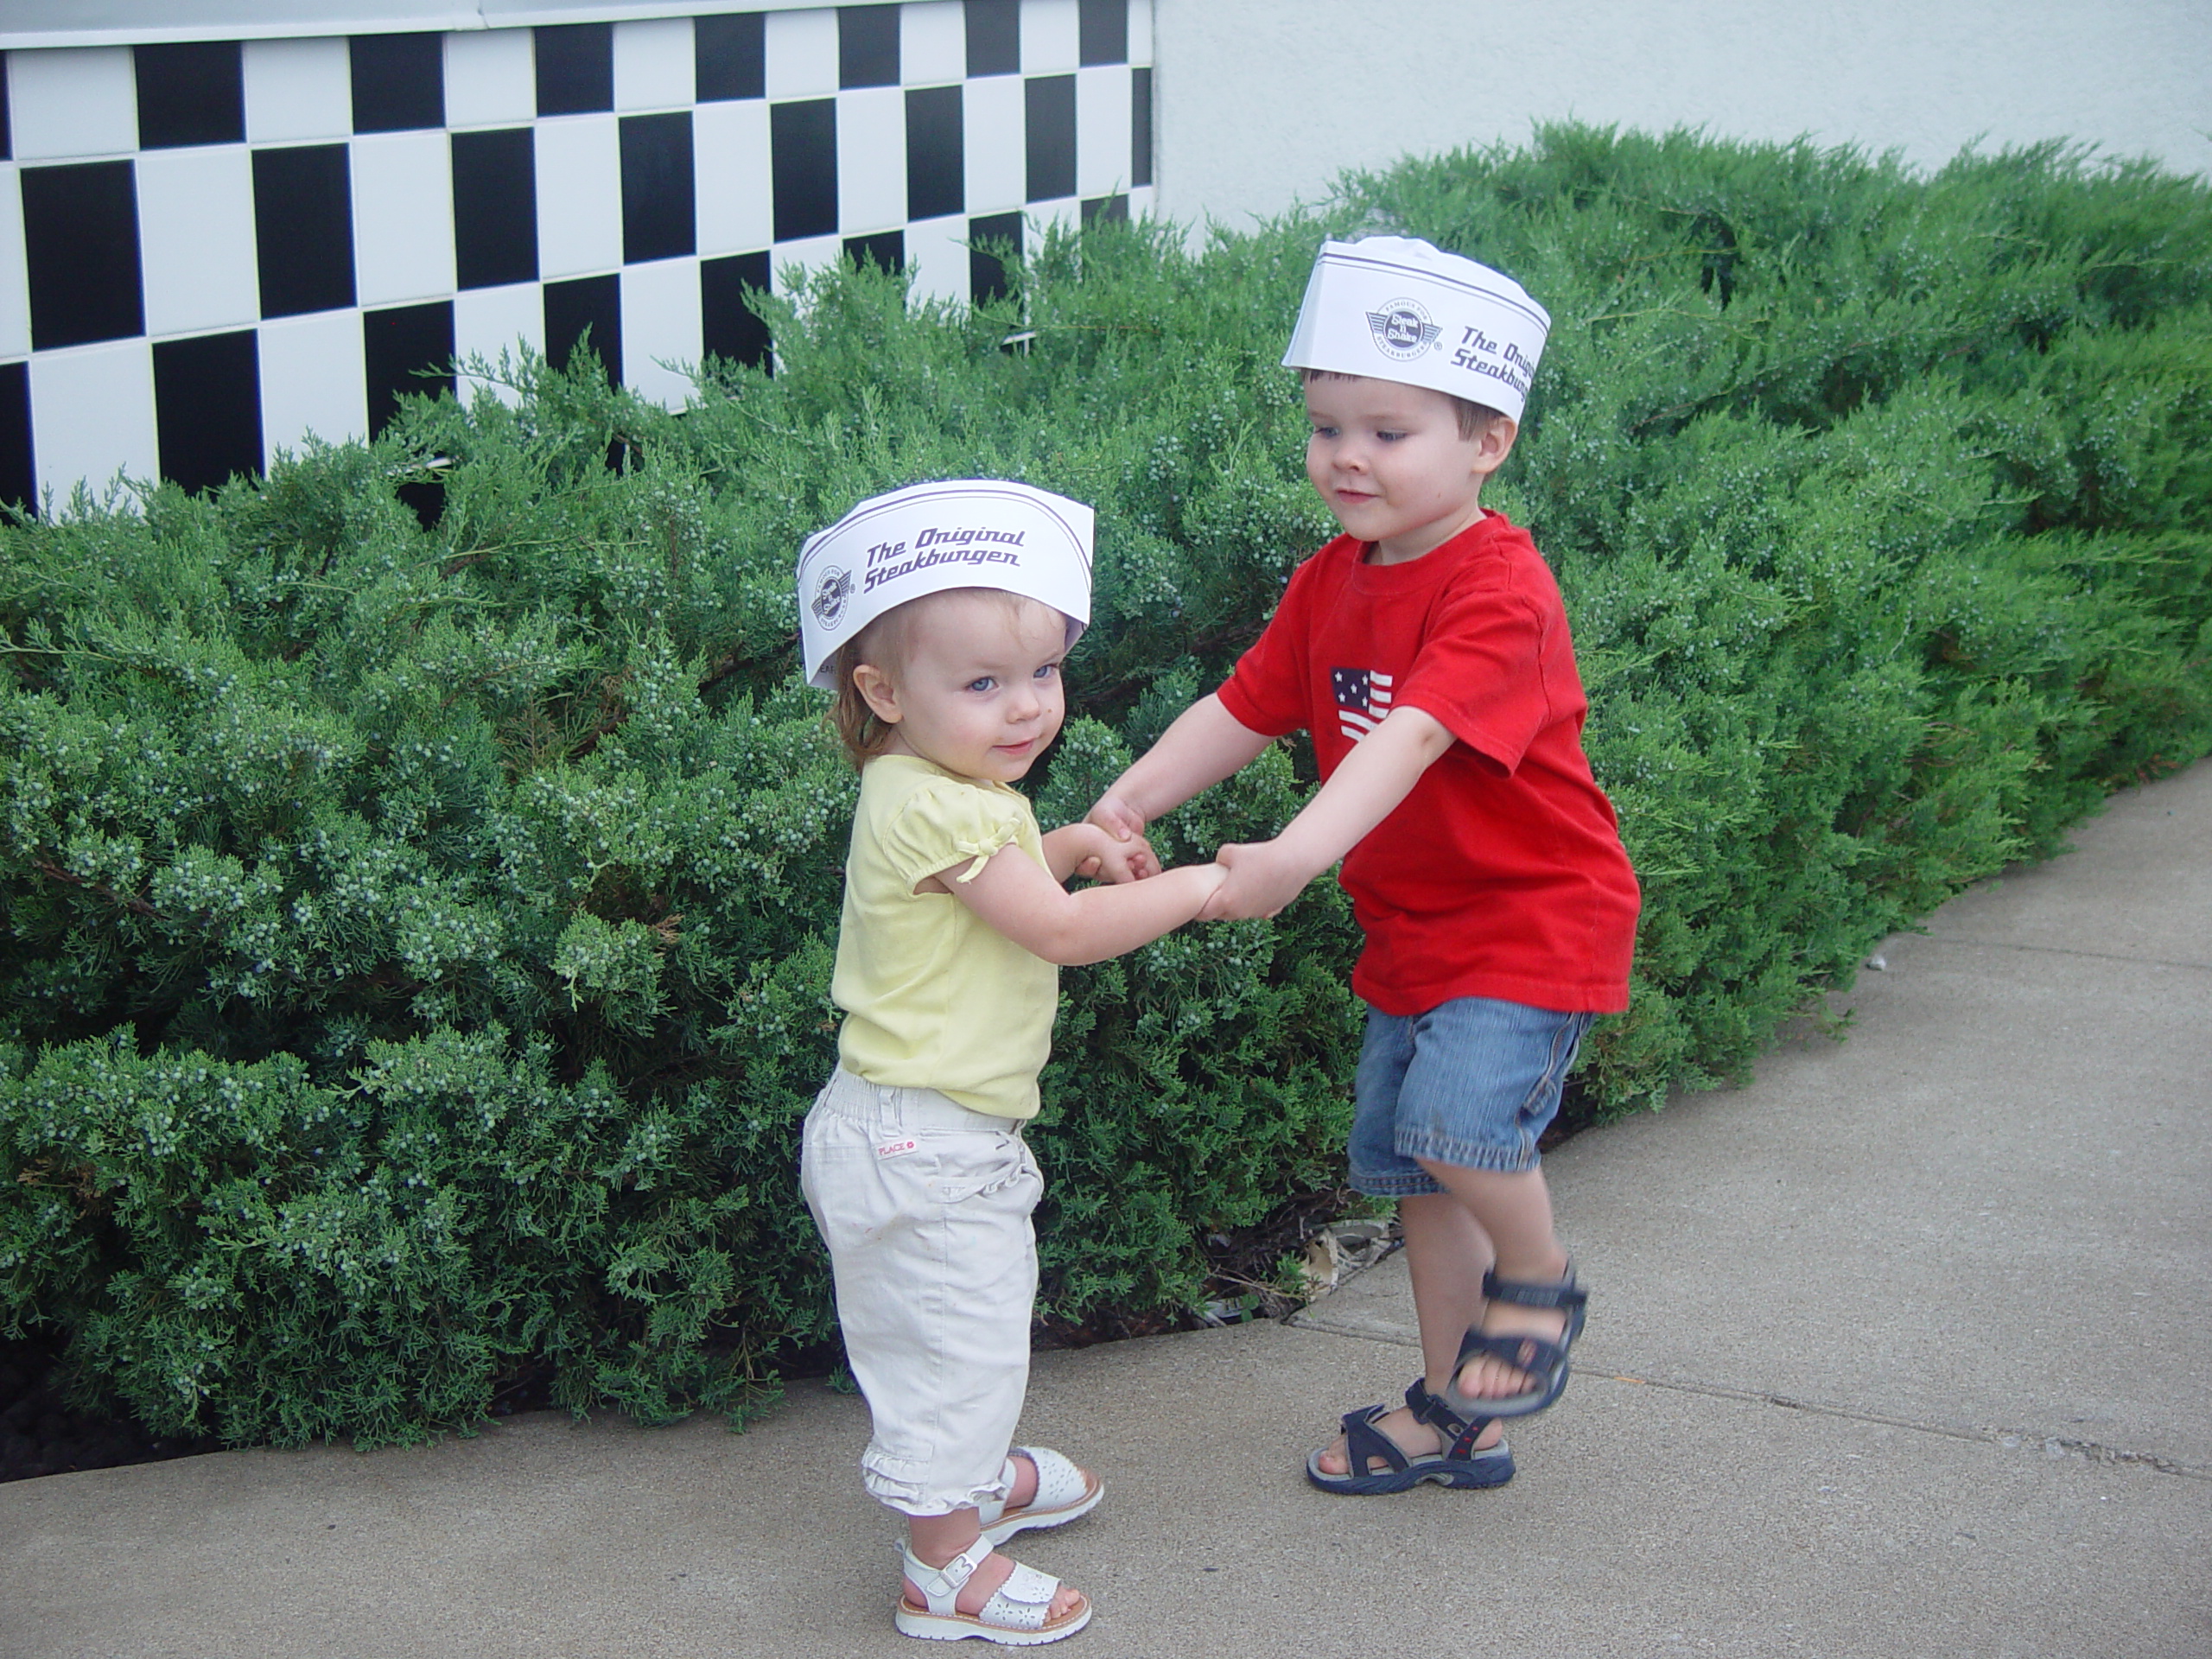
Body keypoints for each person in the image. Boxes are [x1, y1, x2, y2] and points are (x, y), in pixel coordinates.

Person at [1087, 237, 1640, 1494]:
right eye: (1327, 425)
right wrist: (1129, 796)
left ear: (1487, 441)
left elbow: (1412, 736)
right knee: (1416, 1177)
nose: (1347, 455)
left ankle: (1539, 1284)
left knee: (1458, 1131)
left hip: (1533, 920)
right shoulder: (1331, 581)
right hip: (1413, 931)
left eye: (1388, 432)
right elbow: (1246, 706)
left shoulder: (1502, 587)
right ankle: (1457, 1415)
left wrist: (1288, 855)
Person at [794, 480, 1224, 1643]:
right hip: (920, 1139)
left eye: (1041, 673)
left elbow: (1015, 878)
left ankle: (970, 1480)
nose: (1026, 706)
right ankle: (942, 1570)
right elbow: (1062, 932)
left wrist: (1073, 841)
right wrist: (1200, 889)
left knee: (965, 1329)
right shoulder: (947, 808)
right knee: (953, 1341)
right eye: (982, 683)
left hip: (926, 1130)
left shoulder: (938, 786)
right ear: (882, 692)